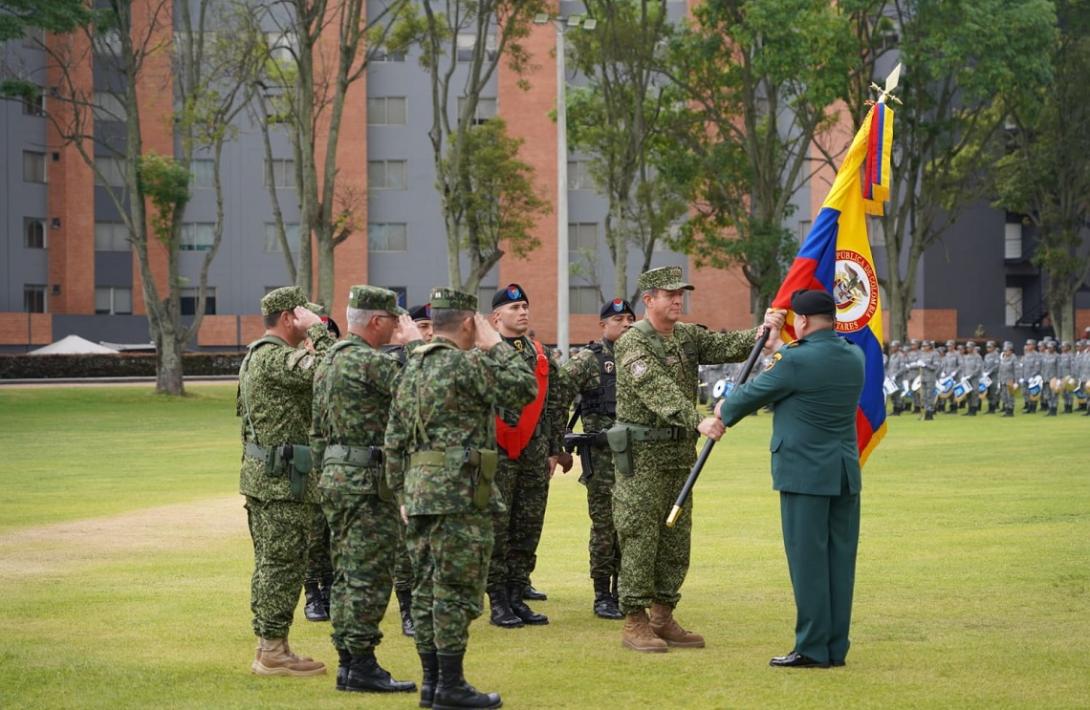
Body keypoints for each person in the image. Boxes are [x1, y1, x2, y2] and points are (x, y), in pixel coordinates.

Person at [611, 265, 783, 653]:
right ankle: (634, 621)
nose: (677, 300)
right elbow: (654, 387)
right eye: (669, 294)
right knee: (640, 534)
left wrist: (763, 330)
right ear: (649, 299)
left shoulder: (686, 336)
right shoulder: (633, 342)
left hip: (677, 453)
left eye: (680, 293)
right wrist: (698, 419)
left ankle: (662, 615)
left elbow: (731, 345)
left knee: (675, 536)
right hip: (642, 455)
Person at [385, 288, 537, 710]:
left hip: (419, 491)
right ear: (470, 322)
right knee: (455, 590)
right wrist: (497, 345)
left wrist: (400, 491)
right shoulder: (467, 363)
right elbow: (523, 389)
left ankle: (433, 684)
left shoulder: (413, 365)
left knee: (428, 588)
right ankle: (449, 685)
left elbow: (394, 436)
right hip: (458, 493)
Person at [716, 289, 865, 669]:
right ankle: (834, 646)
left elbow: (752, 394)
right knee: (839, 563)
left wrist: (724, 407)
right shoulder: (854, 355)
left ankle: (812, 648)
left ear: (802, 321)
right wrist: (779, 348)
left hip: (805, 475)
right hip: (843, 473)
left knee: (809, 563)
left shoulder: (794, 359)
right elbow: (799, 372)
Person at [311, 285, 420, 694]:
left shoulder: (332, 358)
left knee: (347, 572)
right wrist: (416, 347)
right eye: (394, 319)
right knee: (368, 574)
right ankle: (360, 664)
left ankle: (350, 660)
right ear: (376, 321)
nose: (399, 325)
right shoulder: (365, 361)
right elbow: (423, 392)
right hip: (364, 481)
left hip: (340, 475)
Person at [237, 286, 332, 677]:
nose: (312, 320)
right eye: (306, 315)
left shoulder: (257, 356)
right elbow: (334, 371)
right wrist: (322, 332)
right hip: (282, 482)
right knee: (282, 565)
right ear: (290, 317)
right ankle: (272, 651)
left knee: (272, 564)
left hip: (267, 477)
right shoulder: (275, 357)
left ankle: (272, 645)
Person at [486, 284, 569, 628]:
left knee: (528, 526)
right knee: (497, 527)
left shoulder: (540, 353)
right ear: (496, 317)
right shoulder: (484, 353)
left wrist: (554, 449)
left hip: (534, 453)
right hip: (496, 453)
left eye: (525, 306)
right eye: (514, 307)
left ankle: (518, 594)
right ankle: (498, 600)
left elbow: (554, 404)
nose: (522, 312)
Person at [559, 298, 636, 620]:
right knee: (605, 527)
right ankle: (602, 593)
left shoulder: (642, 356)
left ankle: (626, 590)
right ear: (603, 325)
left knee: (631, 525)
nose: (627, 324)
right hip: (603, 457)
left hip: (636, 455)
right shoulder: (588, 360)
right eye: (618, 320)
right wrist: (557, 441)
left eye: (631, 319)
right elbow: (556, 393)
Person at [381, 303, 436, 637]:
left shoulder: (439, 364)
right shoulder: (391, 364)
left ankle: (428, 603)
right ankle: (407, 609)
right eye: (422, 326)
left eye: (432, 327)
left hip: (433, 466)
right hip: (401, 462)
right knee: (404, 543)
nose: (428, 333)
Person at [303, 301, 338, 622]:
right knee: (313, 532)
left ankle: (331, 586)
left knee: (334, 530)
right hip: (308, 460)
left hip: (337, 460)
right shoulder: (297, 367)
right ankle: (312, 591)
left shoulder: (337, 371)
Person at [961, 342, 983, 416]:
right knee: (968, 393)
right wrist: (963, 376)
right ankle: (969, 409)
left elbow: (978, 368)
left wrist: (971, 375)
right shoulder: (966, 357)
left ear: (973, 348)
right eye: (967, 348)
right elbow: (963, 367)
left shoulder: (977, 357)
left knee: (974, 393)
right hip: (966, 378)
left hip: (974, 378)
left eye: (969, 347)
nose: (968, 349)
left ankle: (974, 409)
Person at [998, 341, 1018, 417]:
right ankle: (1006, 409)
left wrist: (1016, 381)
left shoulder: (1013, 358)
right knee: (1004, 396)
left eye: (1007, 350)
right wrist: (999, 380)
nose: (1005, 352)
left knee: (1010, 396)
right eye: (1004, 351)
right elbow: (1000, 370)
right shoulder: (1003, 358)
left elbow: (1017, 370)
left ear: (1011, 350)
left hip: (1010, 380)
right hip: (1003, 380)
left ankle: (1010, 411)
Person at [886, 341, 906, 415]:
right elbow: (890, 367)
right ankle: (895, 409)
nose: (892, 348)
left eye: (894, 347)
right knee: (893, 394)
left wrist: (896, 375)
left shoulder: (901, 356)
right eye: (891, 347)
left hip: (898, 379)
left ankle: (898, 410)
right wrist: (888, 375)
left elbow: (903, 368)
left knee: (897, 394)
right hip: (891, 379)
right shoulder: (892, 356)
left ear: (898, 347)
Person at [983, 341, 1000, 414]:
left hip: (994, 376)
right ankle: (989, 407)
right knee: (988, 392)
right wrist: (984, 372)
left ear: (994, 347)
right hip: (986, 377)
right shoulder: (986, 356)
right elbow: (984, 365)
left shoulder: (996, 355)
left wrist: (989, 372)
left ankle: (993, 408)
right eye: (987, 347)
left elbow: (996, 366)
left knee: (993, 392)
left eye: (990, 347)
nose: (988, 348)